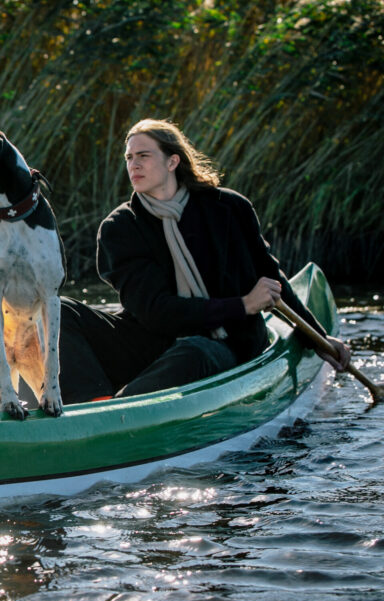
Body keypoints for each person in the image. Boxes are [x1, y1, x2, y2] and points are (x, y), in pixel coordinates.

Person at [58, 118, 351, 403]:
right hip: (152, 339)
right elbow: (156, 312)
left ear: (172, 162)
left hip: (224, 342)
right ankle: (90, 405)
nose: (133, 165)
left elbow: (270, 275)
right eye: (129, 157)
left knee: (194, 351)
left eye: (144, 156)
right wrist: (244, 304)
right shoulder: (120, 226)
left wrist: (318, 338)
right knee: (59, 310)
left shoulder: (228, 208)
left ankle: (119, 411)